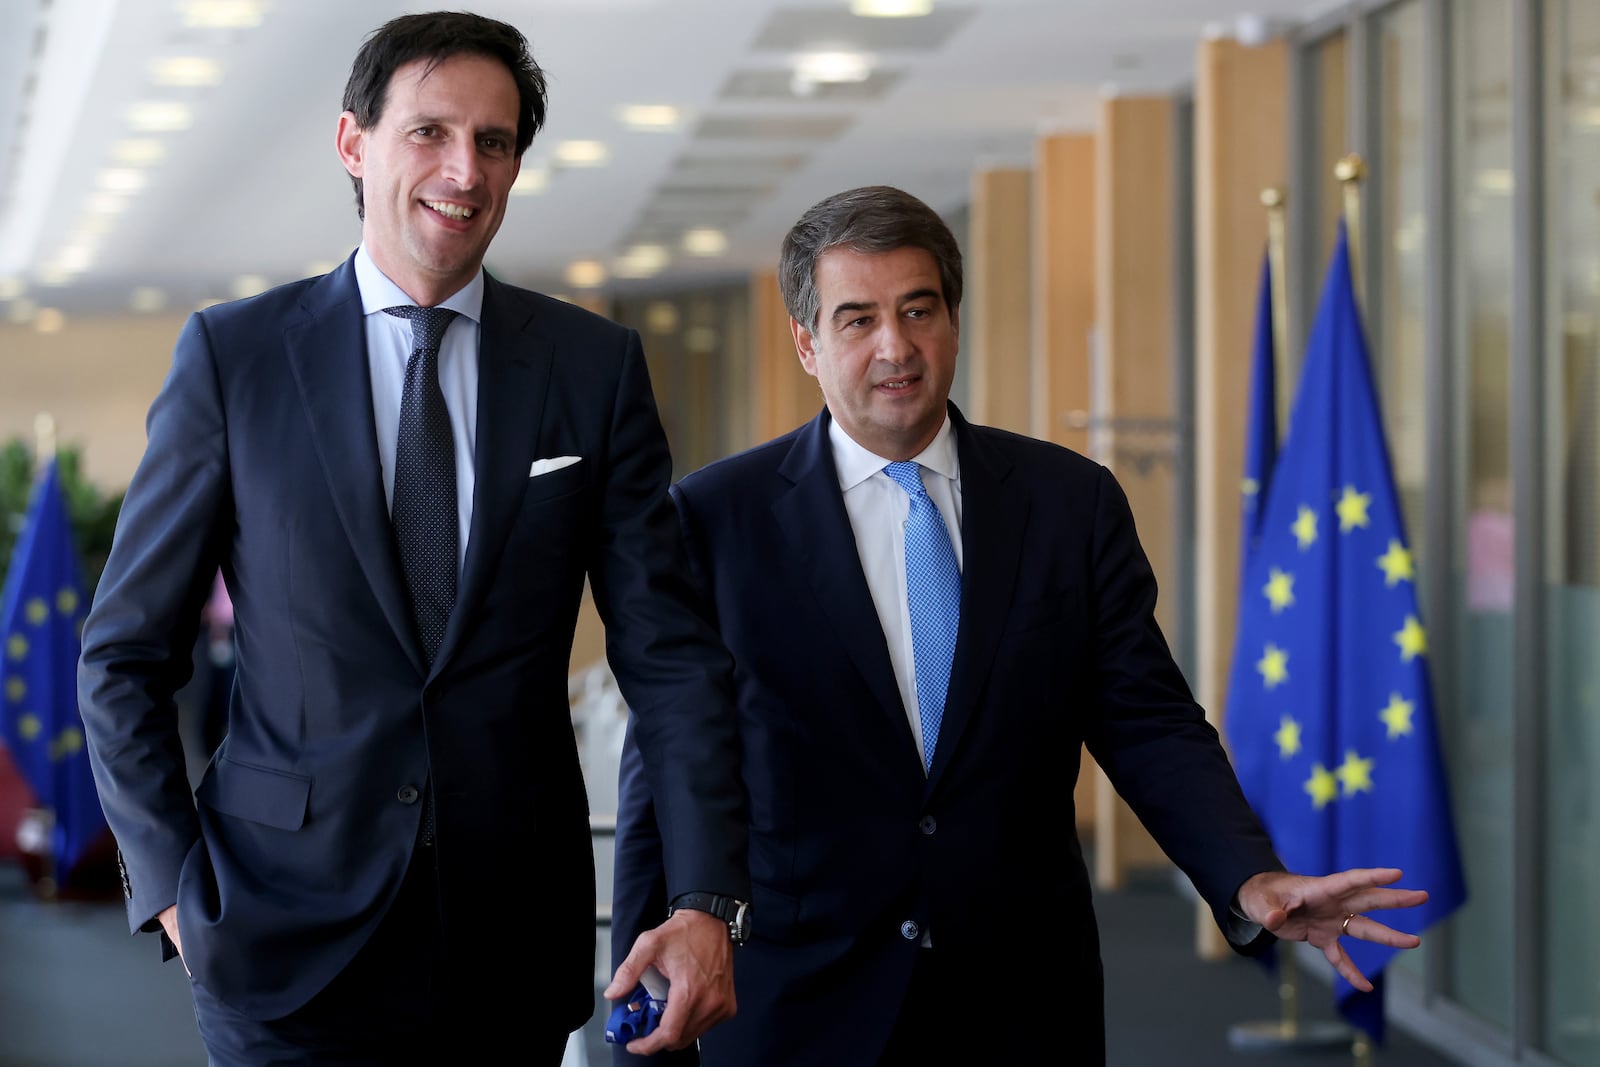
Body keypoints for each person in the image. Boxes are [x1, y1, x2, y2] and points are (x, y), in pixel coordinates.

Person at [608, 185, 1431, 1065]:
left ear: (954, 322)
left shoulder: (1068, 505)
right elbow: (668, 766)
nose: (896, 346)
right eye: (857, 319)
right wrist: (634, 1025)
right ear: (808, 343)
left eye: (918, 309)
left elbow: (1146, 718)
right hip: (800, 1004)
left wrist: (1247, 873)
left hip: (1021, 999)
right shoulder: (711, 520)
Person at [77, 11, 748, 1065]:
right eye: (430, 132)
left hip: (506, 937)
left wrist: (708, 895)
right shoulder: (235, 357)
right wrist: (173, 892)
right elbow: (123, 655)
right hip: (274, 934)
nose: (463, 169)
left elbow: (670, 657)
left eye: (493, 141)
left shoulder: (591, 367)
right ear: (355, 144)